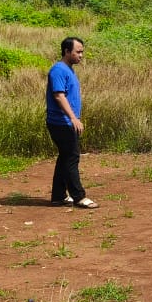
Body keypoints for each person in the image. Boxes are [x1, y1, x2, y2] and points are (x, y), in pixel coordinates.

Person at [46, 36, 96, 209]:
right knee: (71, 157)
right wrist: (73, 118)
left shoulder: (68, 69)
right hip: (61, 123)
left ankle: (58, 196)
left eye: (82, 52)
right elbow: (59, 96)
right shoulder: (58, 70)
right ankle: (79, 196)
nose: (81, 55)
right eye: (78, 52)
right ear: (67, 51)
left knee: (65, 157)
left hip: (66, 122)